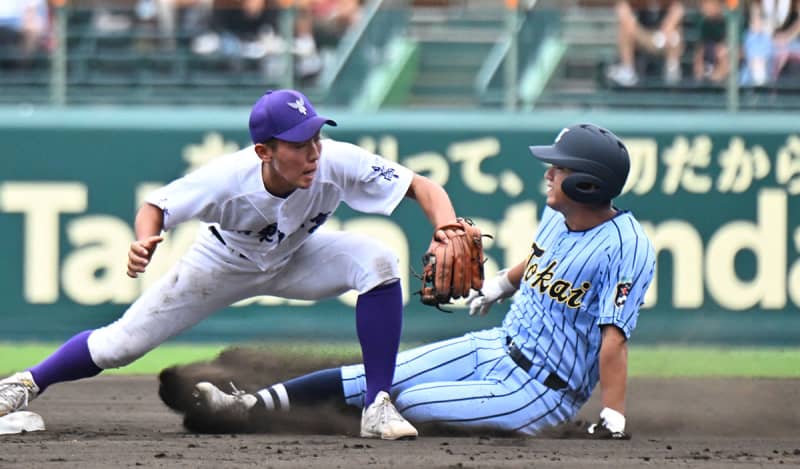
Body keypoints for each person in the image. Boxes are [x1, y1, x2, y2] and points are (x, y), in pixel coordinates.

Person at [0, 88, 470, 440]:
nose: (313, 150)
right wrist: (144, 240)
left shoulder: (335, 161)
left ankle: (378, 405)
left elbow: (423, 187)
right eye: (298, 141)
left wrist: (446, 227)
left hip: (297, 255)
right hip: (222, 263)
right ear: (264, 151)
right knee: (118, 347)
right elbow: (157, 206)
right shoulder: (227, 178)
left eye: (316, 135)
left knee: (379, 260)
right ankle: (23, 384)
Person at [183, 123, 657, 437]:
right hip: (495, 345)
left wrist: (612, 415)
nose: (549, 173)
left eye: (560, 168)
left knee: (411, 400)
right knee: (379, 383)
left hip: (539, 390)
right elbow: (539, 261)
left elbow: (612, 340)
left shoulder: (626, 247)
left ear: (587, 184)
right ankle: (245, 406)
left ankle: (314, 422)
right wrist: (500, 284)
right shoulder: (558, 216)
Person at [606, 0, 686, 87]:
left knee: (675, 35)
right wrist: (638, 33)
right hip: (642, 36)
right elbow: (622, 9)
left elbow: (678, 11)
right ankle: (628, 70)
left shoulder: (670, 3)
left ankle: (672, 72)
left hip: (663, 38)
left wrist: (664, 32)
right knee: (625, 28)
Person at [741, 0, 800, 86]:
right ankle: (759, 82)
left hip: (791, 41)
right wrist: (768, 35)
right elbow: (755, 24)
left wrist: (786, 37)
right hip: (766, 39)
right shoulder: (758, 2)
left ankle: (760, 82)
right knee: (753, 41)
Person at [692, 0, 729, 84]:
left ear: (718, 5)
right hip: (710, 58)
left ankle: (715, 84)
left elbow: (740, 50)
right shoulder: (704, 23)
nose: (704, 8)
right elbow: (700, 48)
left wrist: (724, 51)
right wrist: (699, 64)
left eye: (707, 4)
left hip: (729, 59)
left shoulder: (731, 20)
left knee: (723, 52)